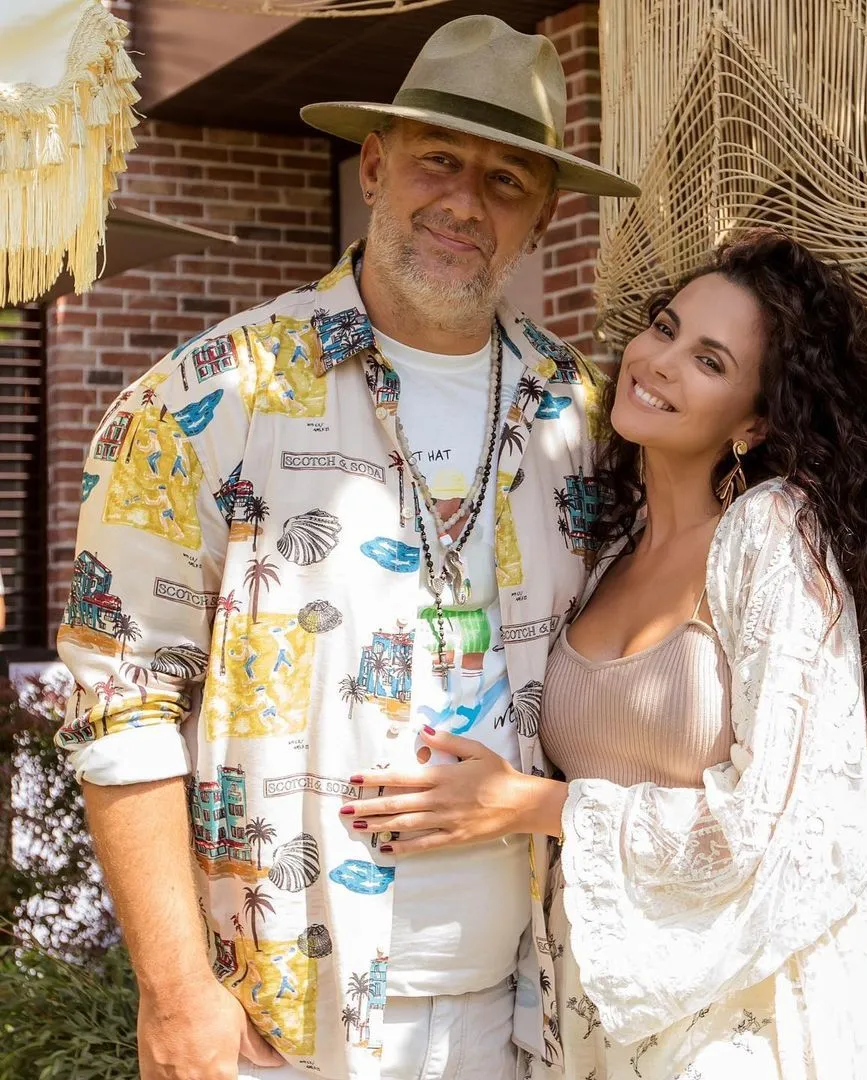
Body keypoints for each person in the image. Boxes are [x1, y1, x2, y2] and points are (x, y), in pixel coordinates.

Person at [55, 14, 637, 1080]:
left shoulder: (585, 417)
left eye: (507, 181)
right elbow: (123, 700)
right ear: (373, 167)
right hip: (276, 1018)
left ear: (544, 217)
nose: (466, 202)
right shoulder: (207, 397)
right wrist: (175, 991)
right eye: (438, 160)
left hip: (535, 1008)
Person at [349, 229, 867, 1079]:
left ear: (756, 419)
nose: (660, 362)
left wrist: (530, 806)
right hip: (589, 1013)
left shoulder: (772, 536)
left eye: (709, 361)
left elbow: (787, 828)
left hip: (731, 1024)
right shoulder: (607, 550)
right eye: (665, 327)